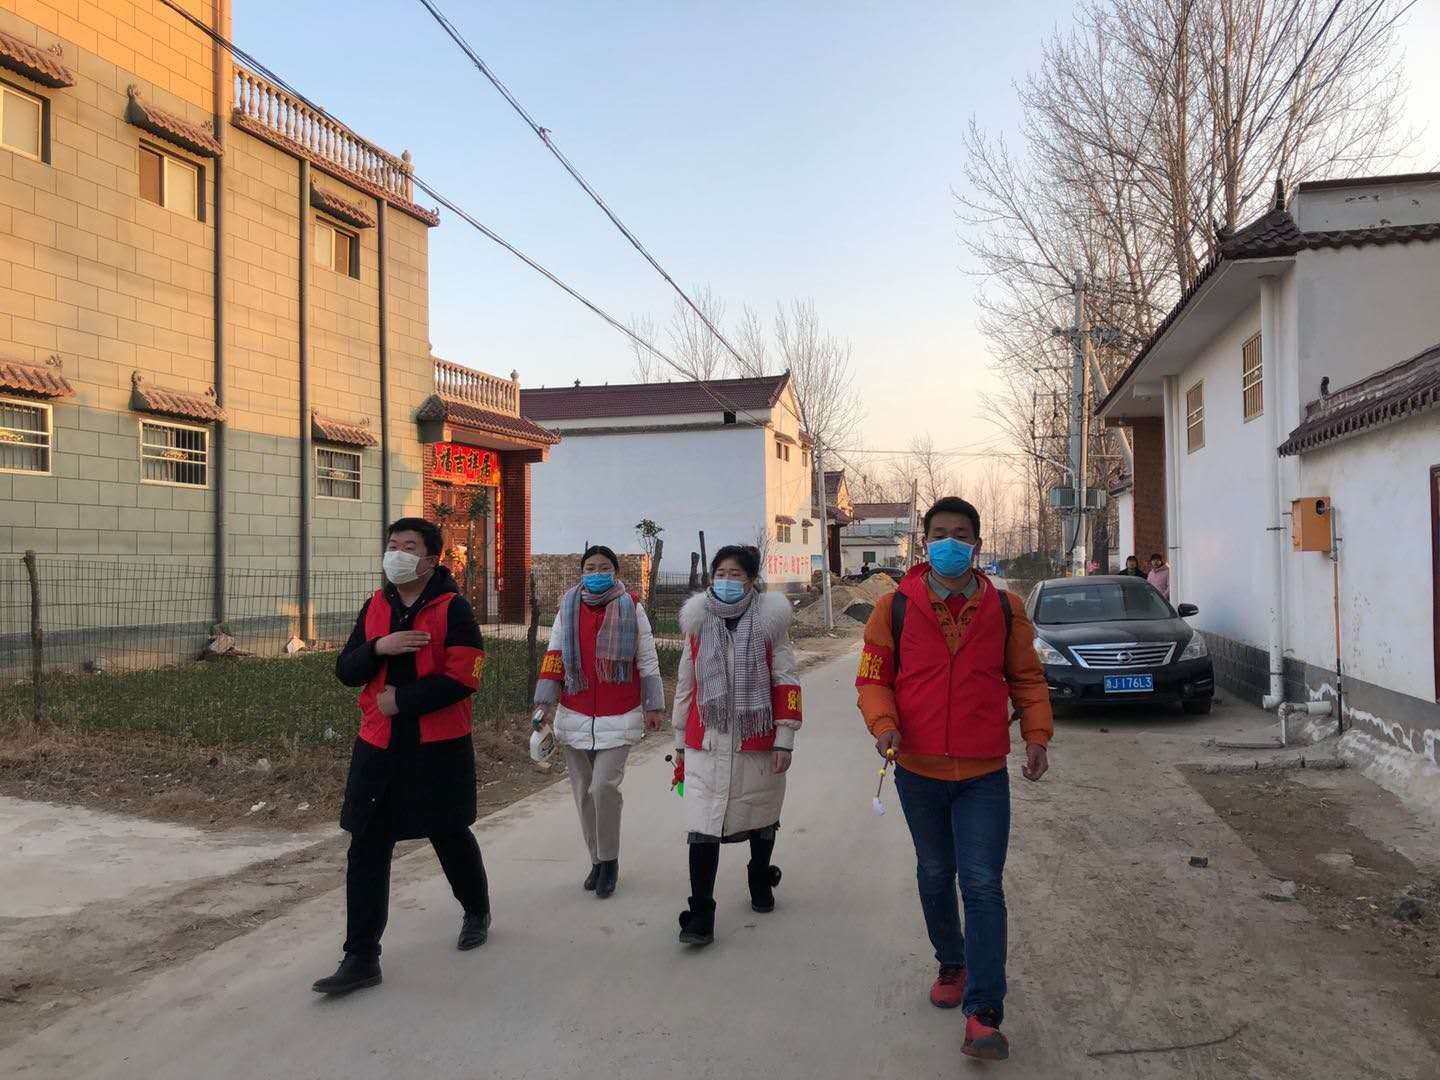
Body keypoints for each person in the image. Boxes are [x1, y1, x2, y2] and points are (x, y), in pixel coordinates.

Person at [856, 497, 1053, 1061]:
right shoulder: (893, 607)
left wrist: (1036, 735)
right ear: (925, 543)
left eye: (960, 534)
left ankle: (984, 1014)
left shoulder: (1007, 609)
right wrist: (884, 725)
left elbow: (1028, 679)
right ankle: (952, 961)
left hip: (983, 774)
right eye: (939, 533)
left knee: (983, 884)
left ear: (977, 545)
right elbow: (873, 679)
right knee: (936, 873)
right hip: (917, 771)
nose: (950, 543)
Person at [313, 518, 490, 995]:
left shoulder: (454, 609)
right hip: (378, 744)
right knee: (367, 845)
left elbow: (466, 677)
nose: (397, 554)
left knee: (448, 832)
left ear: (431, 559)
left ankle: (476, 909)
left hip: (437, 746)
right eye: (392, 545)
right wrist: (378, 647)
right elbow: (346, 669)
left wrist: (403, 701)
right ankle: (361, 956)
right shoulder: (375, 604)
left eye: (408, 547)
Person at [671, 545, 802, 947]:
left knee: (761, 817)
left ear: (752, 580)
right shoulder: (698, 623)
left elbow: (785, 681)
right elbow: (686, 685)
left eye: (736, 574)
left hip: (755, 740)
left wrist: (784, 739)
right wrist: (679, 741)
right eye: (720, 574)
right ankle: (701, 915)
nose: (727, 581)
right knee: (702, 827)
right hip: (707, 741)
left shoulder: (770, 625)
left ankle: (759, 877)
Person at [533, 545, 666, 898]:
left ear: (615, 572)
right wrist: (544, 703)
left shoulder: (631, 607)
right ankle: (596, 860)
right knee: (583, 794)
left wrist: (653, 706)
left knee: (603, 787)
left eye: (604, 567)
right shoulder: (567, 607)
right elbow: (554, 655)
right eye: (590, 567)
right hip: (575, 713)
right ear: (581, 572)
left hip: (619, 714)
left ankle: (610, 860)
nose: (596, 573)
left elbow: (647, 658)